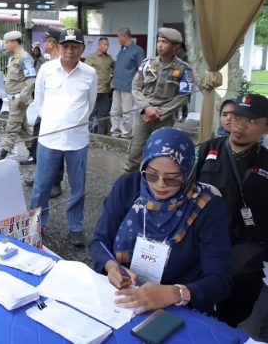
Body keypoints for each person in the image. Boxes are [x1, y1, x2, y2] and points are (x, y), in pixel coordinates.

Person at [90, 127, 232, 315]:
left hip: (174, 308)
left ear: (188, 174)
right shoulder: (128, 186)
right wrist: (111, 267)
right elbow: (99, 240)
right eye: (151, 174)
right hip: (122, 296)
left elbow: (220, 279)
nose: (160, 185)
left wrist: (176, 292)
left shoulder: (207, 207)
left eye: (172, 179)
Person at [195, 93, 268, 331]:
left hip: (246, 253)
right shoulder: (208, 150)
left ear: (266, 127)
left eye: (252, 121)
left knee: (234, 313)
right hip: (203, 243)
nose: (240, 125)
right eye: (237, 117)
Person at [30, 28, 97, 246]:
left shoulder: (90, 73)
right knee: (41, 186)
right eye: (65, 46)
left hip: (77, 140)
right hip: (49, 138)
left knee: (78, 187)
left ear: (82, 48)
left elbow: (91, 103)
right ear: (58, 47)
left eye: (74, 46)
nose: (69, 50)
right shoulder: (47, 70)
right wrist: (54, 121)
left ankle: (76, 227)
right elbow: (39, 100)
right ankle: (36, 226)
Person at [123, 28, 193, 172]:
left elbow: (183, 97)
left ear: (175, 46)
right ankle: (128, 185)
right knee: (134, 154)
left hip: (164, 118)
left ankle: (152, 186)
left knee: (159, 155)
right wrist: (147, 108)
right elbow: (136, 88)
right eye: (159, 41)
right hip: (144, 115)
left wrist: (159, 112)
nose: (159, 45)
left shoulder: (184, 69)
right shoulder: (147, 64)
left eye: (164, 42)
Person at [23, 29, 65, 200]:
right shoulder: (47, 61)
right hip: (44, 112)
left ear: (53, 43)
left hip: (57, 114)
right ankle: (41, 177)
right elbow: (40, 91)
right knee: (39, 146)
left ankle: (56, 182)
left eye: (46, 41)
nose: (44, 44)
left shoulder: (63, 62)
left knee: (57, 147)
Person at [0, 30, 35, 160]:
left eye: (7, 42)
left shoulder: (25, 57)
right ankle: (35, 154)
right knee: (24, 129)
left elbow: (31, 79)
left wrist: (23, 99)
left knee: (11, 128)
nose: (5, 45)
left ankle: (1, 157)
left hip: (19, 100)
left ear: (14, 42)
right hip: (14, 98)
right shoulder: (14, 57)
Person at [110, 28, 144, 138]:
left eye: (118, 37)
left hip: (128, 86)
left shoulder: (138, 50)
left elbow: (141, 69)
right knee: (114, 111)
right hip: (117, 85)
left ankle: (126, 133)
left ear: (125, 36)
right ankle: (115, 131)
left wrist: (137, 84)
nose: (117, 39)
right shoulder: (122, 49)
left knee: (126, 112)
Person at [85, 37, 114, 135]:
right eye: (104, 44)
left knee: (103, 113)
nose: (106, 47)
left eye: (108, 45)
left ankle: (101, 134)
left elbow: (116, 68)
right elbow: (85, 72)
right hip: (94, 90)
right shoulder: (91, 57)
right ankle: (86, 133)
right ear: (99, 45)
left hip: (105, 91)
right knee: (91, 112)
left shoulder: (109, 59)